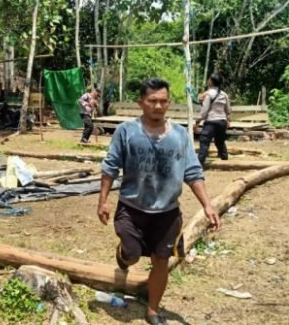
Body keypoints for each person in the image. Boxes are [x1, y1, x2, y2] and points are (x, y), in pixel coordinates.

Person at [97, 78, 220, 325]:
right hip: (132, 209)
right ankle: (124, 255)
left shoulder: (179, 135)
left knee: (161, 261)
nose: (158, 106)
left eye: (163, 101)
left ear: (169, 103)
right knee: (132, 255)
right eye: (152, 101)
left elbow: (192, 171)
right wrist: (103, 201)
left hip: (167, 213)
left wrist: (207, 205)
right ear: (141, 103)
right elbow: (110, 167)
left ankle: (152, 310)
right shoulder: (127, 132)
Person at [193, 73, 231, 166]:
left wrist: (197, 122)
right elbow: (228, 110)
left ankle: (199, 164)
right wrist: (228, 120)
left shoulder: (208, 94)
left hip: (211, 121)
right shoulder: (224, 94)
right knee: (220, 141)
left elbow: (204, 111)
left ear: (212, 82)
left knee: (204, 141)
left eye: (209, 79)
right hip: (222, 122)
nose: (208, 81)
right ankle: (225, 161)